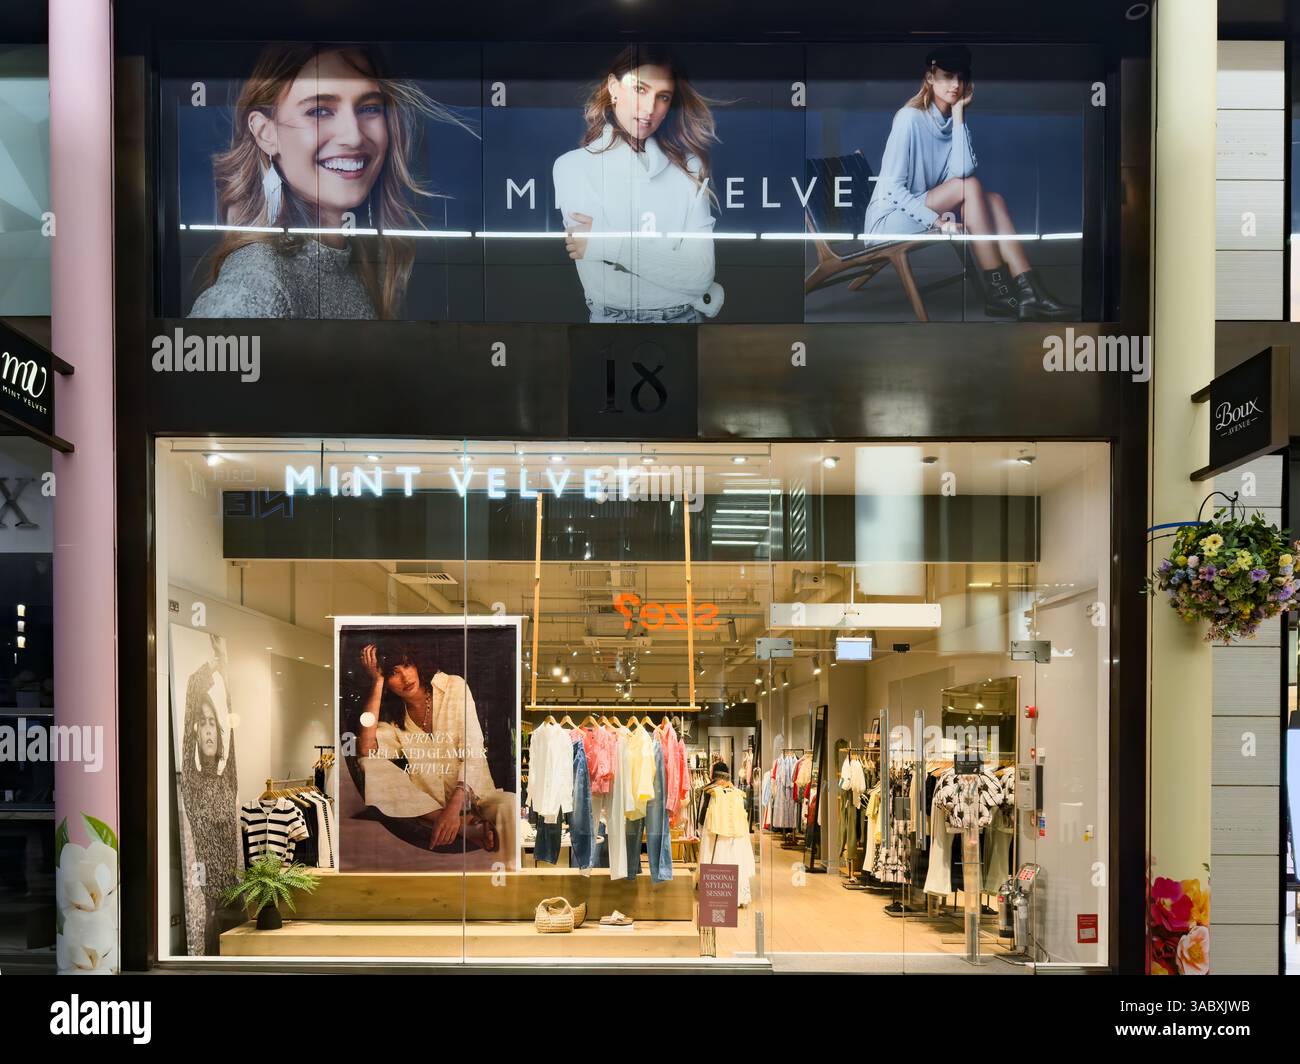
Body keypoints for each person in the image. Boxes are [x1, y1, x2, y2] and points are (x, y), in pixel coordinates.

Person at [190, 43, 472, 319]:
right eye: (319, 111)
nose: (353, 136)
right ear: (265, 133)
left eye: (369, 108)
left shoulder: (359, 263)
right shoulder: (255, 286)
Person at [861, 44, 1076, 321]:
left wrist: (960, 116)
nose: (955, 85)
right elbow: (892, 190)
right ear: (929, 78)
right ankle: (998, 294)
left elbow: (962, 169)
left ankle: (1031, 292)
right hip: (888, 219)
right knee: (971, 187)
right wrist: (937, 222)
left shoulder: (952, 121)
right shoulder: (909, 119)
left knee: (993, 199)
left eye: (961, 78)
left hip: (920, 208)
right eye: (947, 76)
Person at [552, 45, 724, 324]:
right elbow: (597, 273)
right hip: (610, 324)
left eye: (663, 97)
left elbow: (700, 275)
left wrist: (609, 245)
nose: (649, 109)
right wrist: (669, 262)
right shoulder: (572, 167)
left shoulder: (690, 167)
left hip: (683, 324)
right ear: (613, 87)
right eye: (639, 89)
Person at [355, 642, 515, 862]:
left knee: (510, 805)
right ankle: (464, 828)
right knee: (370, 763)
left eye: (407, 665)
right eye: (393, 673)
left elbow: (474, 750)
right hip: (430, 807)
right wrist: (377, 681)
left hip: (476, 796)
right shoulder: (395, 721)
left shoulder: (453, 686)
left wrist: (454, 809)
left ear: (417, 664)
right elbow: (366, 749)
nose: (405, 677)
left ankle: (511, 885)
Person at [176, 652, 240, 956]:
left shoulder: (228, 778)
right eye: (203, 724)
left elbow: (233, 723)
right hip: (212, 906)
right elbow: (191, 693)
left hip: (238, 896)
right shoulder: (192, 780)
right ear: (195, 732)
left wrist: (228, 681)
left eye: (212, 722)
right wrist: (215, 665)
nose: (209, 729)